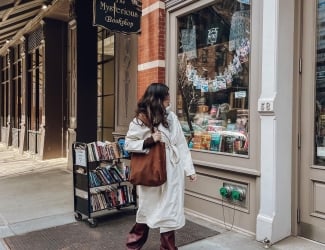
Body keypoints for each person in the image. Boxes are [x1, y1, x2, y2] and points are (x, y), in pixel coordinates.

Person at [125, 82, 197, 250]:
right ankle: (132, 245)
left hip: (172, 171)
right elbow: (128, 144)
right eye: (166, 95)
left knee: (169, 212)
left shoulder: (171, 117)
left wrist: (189, 170)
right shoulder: (141, 120)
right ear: (158, 98)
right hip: (153, 172)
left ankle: (168, 248)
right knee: (146, 211)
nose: (169, 98)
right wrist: (150, 141)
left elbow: (180, 144)